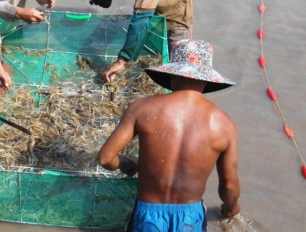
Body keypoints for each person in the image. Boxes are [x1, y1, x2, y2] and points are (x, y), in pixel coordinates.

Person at [97, 39, 241, 231]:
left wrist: (127, 163)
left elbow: (106, 158)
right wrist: (231, 208)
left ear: (171, 73)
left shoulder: (143, 108)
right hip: (190, 218)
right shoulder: (224, 124)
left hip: (147, 215)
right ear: (206, 79)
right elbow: (229, 186)